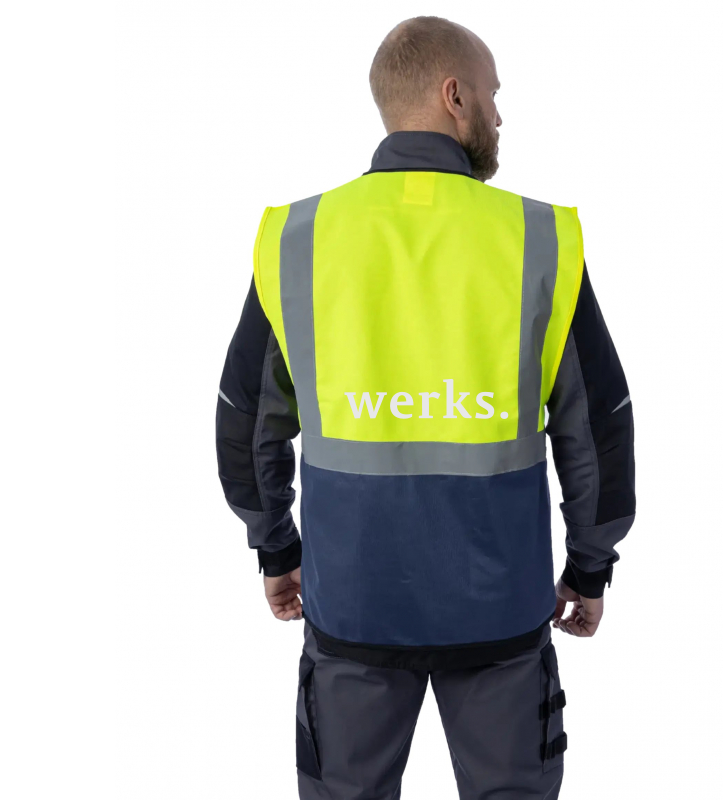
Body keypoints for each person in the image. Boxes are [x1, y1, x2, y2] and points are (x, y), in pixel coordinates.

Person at [215, 15, 636, 800]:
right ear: (454, 96)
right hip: (501, 609)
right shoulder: (536, 237)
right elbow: (598, 424)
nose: (500, 114)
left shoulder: (301, 238)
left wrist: (275, 548)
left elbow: (246, 418)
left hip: (353, 604)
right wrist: (590, 562)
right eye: (493, 95)